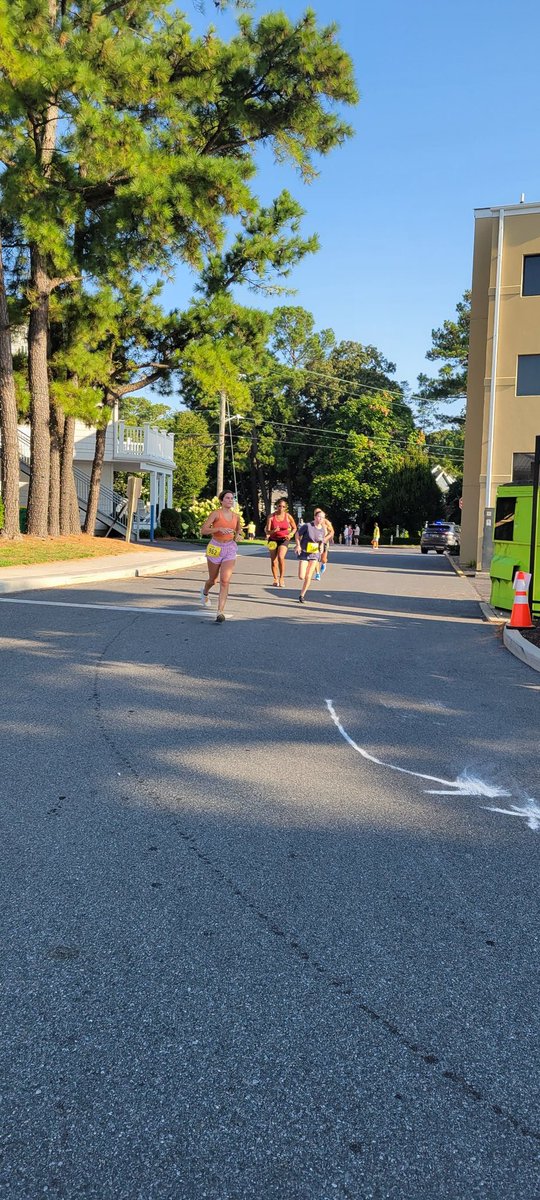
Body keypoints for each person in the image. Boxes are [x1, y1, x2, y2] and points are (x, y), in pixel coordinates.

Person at [200, 490, 243, 622]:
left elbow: (238, 530)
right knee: (213, 580)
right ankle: (205, 592)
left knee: (225, 581)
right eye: (228, 498)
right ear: (222, 500)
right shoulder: (216, 514)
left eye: (232, 498)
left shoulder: (236, 517)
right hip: (215, 547)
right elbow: (203, 530)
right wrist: (218, 529)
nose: (230, 500)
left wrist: (238, 536)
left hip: (229, 548)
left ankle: (220, 612)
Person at [295, 509, 326, 603]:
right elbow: (297, 535)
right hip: (304, 552)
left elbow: (322, 540)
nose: (320, 519)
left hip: (314, 554)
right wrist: (298, 545)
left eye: (322, 517)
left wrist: (321, 546)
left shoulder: (323, 529)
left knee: (308, 576)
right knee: (301, 576)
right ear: (315, 517)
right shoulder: (307, 526)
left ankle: (302, 595)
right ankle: (302, 591)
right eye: (319, 516)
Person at [265, 498, 297, 588]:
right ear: (277, 506)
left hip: (284, 539)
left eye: (283, 507)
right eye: (279, 506)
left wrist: (290, 534)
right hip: (272, 540)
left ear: (285, 508)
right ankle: (275, 578)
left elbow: (294, 528)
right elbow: (267, 532)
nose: (281, 508)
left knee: (281, 557)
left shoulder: (288, 516)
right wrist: (273, 531)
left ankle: (282, 578)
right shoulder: (271, 517)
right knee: (273, 560)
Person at [313, 509, 334, 581]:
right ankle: (317, 573)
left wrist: (328, 538)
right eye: (316, 513)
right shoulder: (312, 523)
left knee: (323, 559)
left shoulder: (326, 522)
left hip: (324, 542)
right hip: (315, 543)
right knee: (315, 558)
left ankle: (324, 563)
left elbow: (332, 531)